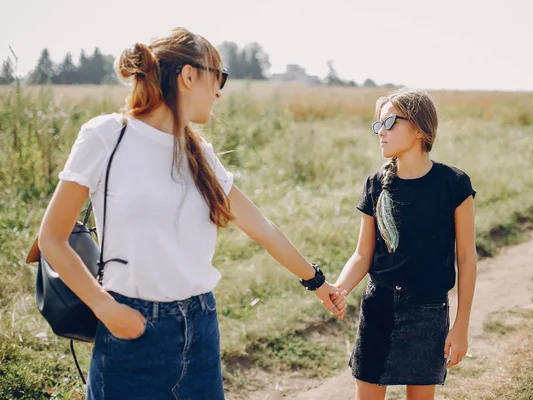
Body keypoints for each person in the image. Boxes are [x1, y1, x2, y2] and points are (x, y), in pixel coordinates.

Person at [37, 27, 346, 400]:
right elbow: (52, 238)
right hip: (132, 330)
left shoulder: (200, 153)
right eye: (219, 77)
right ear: (188, 75)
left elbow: (261, 227)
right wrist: (105, 308)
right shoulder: (107, 135)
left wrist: (316, 282)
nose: (219, 92)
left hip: (201, 325)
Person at [334, 88, 477, 400]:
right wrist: (339, 289)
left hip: (428, 312)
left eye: (389, 123)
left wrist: (461, 326)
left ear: (418, 128)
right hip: (379, 308)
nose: (380, 133)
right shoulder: (374, 185)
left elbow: (466, 257)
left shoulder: (453, 183)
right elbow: (362, 254)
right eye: (378, 125)